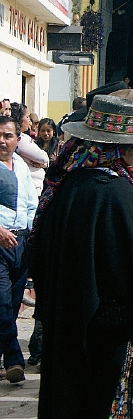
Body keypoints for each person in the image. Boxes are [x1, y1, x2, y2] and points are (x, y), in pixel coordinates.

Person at [31, 94, 133, 417]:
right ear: (124, 147)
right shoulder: (120, 196)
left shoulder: (65, 187)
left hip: (68, 333)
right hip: (114, 342)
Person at [0, 116, 34, 384]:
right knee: (2, 303)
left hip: (20, 243)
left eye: (8, 136)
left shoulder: (22, 166)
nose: (3, 140)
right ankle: (13, 359)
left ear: (17, 140)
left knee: (11, 306)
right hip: (0, 241)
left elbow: (30, 205)